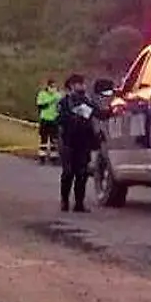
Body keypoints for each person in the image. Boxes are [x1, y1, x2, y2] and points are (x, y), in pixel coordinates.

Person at [56, 73, 102, 213]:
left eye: (83, 83)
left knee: (82, 173)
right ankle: (64, 201)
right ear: (71, 86)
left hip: (84, 142)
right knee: (68, 173)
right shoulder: (64, 102)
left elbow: (99, 113)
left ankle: (79, 203)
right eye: (79, 84)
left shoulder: (87, 101)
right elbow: (59, 119)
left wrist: (114, 111)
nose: (82, 86)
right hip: (68, 141)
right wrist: (74, 116)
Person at [35, 77, 61, 164]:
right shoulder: (42, 94)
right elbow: (40, 106)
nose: (53, 88)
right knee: (44, 139)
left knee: (54, 139)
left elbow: (60, 107)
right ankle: (42, 157)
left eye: (54, 86)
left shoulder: (58, 95)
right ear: (48, 86)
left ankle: (54, 158)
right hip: (45, 119)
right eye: (51, 86)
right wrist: (51, 101)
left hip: (54, 119)